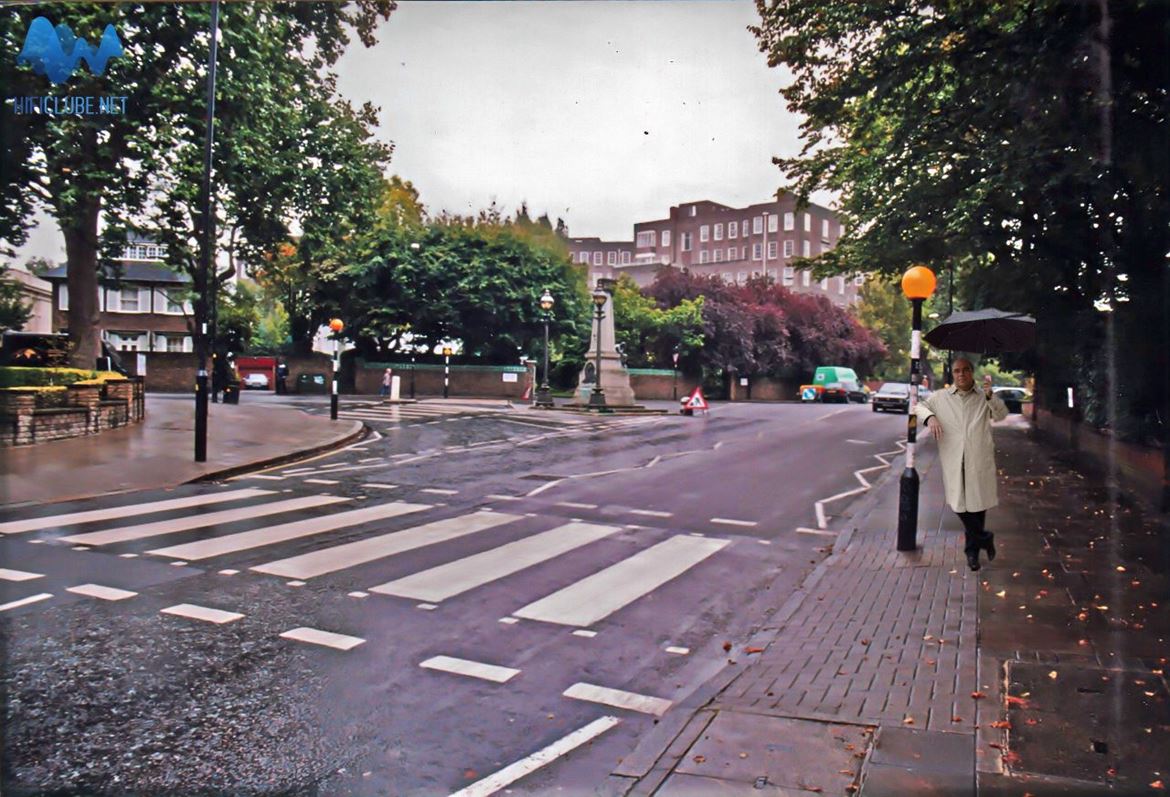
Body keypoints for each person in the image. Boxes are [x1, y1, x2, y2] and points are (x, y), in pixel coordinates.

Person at [914, 358, 1009, 571]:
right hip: (953, 459)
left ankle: (972, 554)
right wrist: (930, 418)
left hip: (978, 459)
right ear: (952, 374)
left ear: (971, 372)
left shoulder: (984, 396)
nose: (961, 374)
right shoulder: (941, 397)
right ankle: (985, 537)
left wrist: (990, 396)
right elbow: (918, 406)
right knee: (959, 505)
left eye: (965, 370)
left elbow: (1002, 414)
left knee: (977, 508)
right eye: (957, 371)